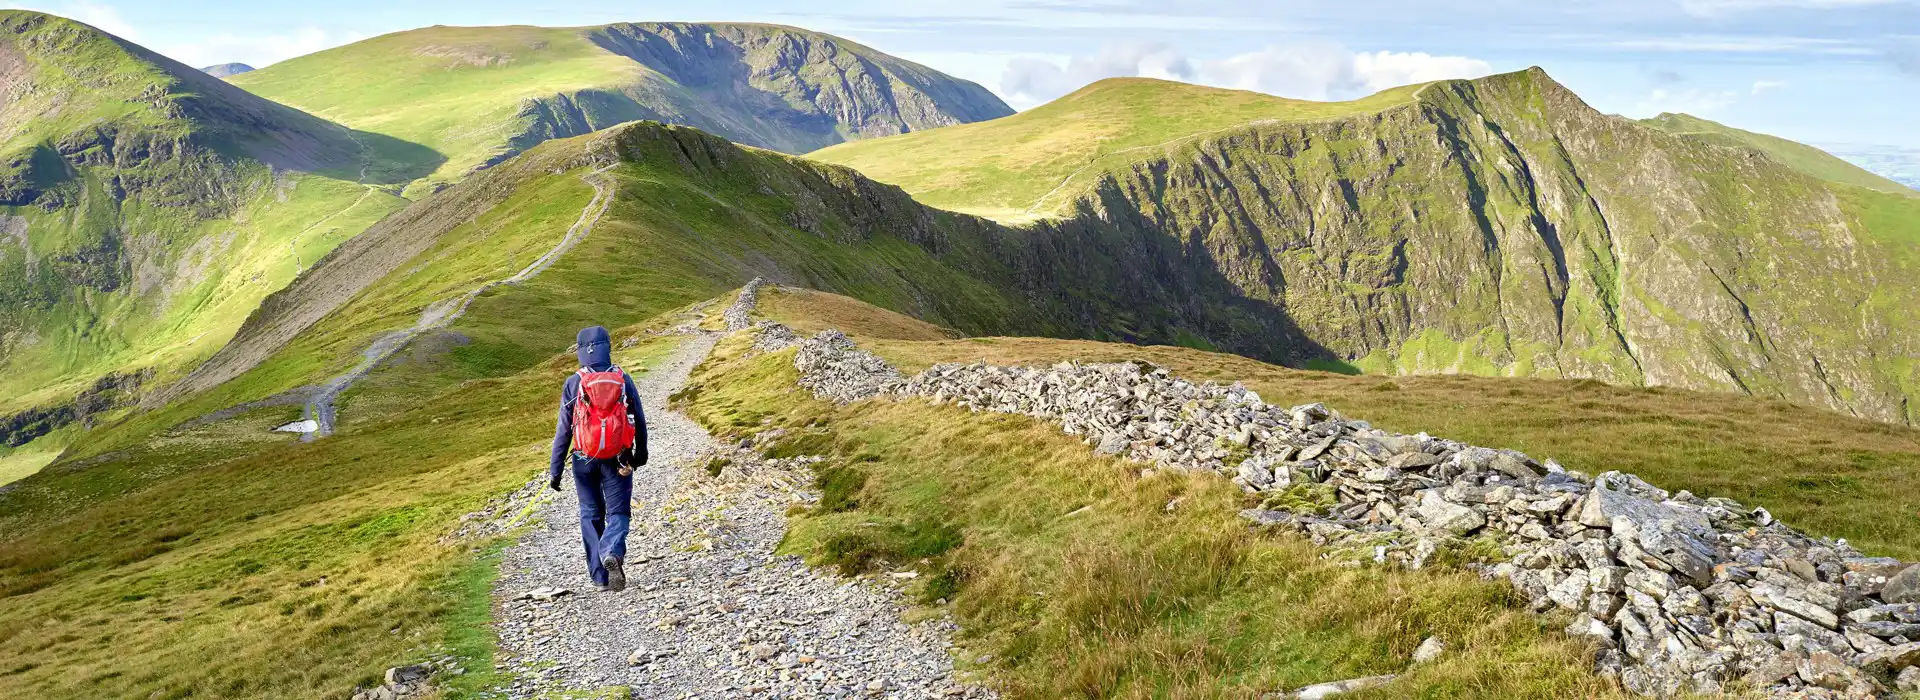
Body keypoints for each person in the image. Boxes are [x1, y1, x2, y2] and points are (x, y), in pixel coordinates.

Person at [548, 326, 647, 592]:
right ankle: (612, 552)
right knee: (618, 512)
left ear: (581, 350)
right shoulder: (622, 378)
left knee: (590, 514)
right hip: (619, 458)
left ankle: (600, 578)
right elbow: (638, 418)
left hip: (584, 458)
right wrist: (640, 455)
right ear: (608, 347)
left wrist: (555, 472)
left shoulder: (573, 383)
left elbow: (564, 431)